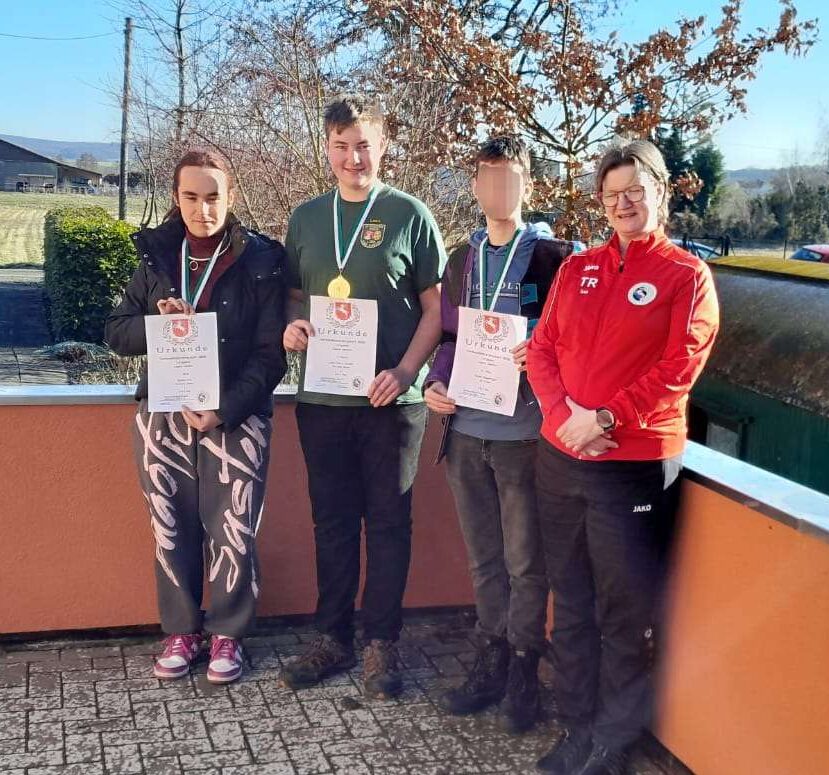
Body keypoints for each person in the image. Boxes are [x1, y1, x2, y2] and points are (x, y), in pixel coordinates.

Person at [526, 140, 719, 775]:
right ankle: (577, 726)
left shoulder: (686, 277)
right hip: (561, 458)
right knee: (572, 598)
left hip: (631, 464)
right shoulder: (577, 267)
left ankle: (613, 740)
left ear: (661, 191)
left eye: (635, 191)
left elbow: (677, 370)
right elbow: (543, 348)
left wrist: (605, 418)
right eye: (611, 196)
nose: (623, 204)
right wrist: (563, 420)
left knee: (622, 610)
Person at [279, 94, 446, 699]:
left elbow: (436, 309)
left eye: (364, 144)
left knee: (389, 525)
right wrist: (290, 327)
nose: (354, 157)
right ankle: (333, 638)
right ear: (327, 151)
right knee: (332, 523)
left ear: (384, 146)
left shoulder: (410, 214)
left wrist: (405, 372)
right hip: (323, 401)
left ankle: (381, 644)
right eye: (342, 146)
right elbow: (293, 297)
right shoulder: (304, 218)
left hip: (392, 405)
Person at [105, 149, 288, 684]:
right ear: (176, 198)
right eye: (191, 197)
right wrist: (156, 326)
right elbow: (116, 332)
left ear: (230, 198)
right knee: (170, 527)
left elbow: (272, 354)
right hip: (164, 413)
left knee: (233, 528)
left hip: (235, 415)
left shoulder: (261, 260)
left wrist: (226, 409)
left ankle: (229, 635)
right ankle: (182, 630)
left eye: (213, 197)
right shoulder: (158, 257)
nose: (202, 209)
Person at [424, 135, 573, 733]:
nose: (498, 189)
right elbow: (450, 337)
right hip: (465, 430)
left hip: (524, 434)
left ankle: (522, 667)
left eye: (510, 178)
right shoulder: (462, 259)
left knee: (525, 562)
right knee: (484, 558)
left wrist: (538, 348)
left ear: (528, 185)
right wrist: (434, 384)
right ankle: (489, 656)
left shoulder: (557, 257)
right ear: (476, 187)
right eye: (488, 178)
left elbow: (573, 339)